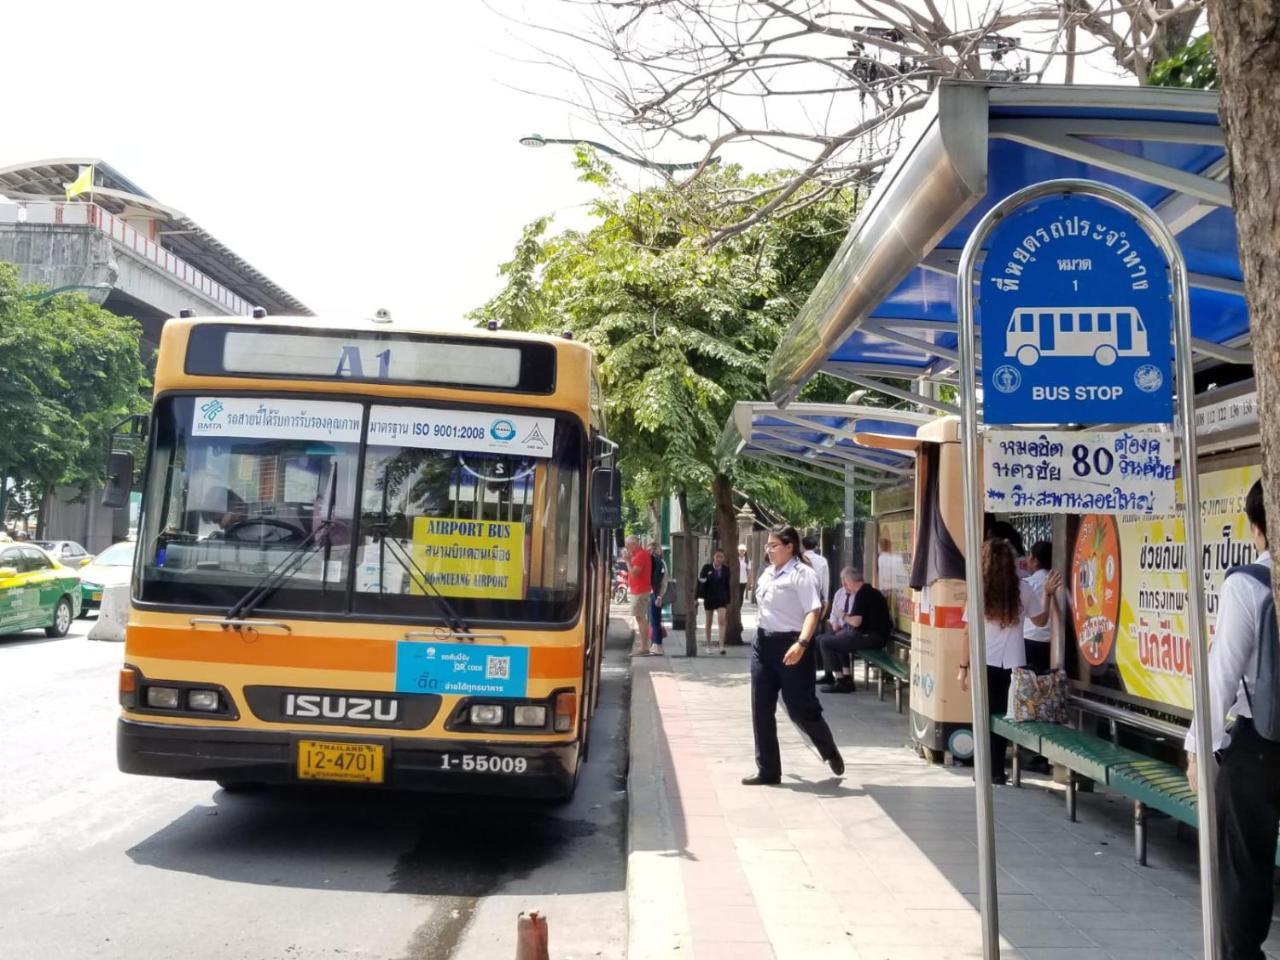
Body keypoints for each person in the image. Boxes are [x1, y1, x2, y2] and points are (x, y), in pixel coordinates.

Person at [1185, 480, 1278, 960]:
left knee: (1245, 869)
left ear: (1257, 528)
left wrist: (1199, 748)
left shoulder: (1249, 583)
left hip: (1259, 746)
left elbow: (1221, 672)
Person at [743, 524, 845, 785]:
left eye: (773, 546)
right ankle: (767, 769)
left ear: (790, 546)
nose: (769, 551)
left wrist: (802, 643)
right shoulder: (768, 573)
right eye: (767, 546)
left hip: (792, 645)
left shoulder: (802, 574)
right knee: (761, 709)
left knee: (800, 709)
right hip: (764, 644)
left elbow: (814, 610)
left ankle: (828, 748)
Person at [958, 538, 1060, 784]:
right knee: (1004, 716)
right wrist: (1046, 594)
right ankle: (996, 771)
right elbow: (1040, 620)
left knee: (982, 715)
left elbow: (967, 633)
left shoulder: (977, 590)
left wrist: (963, 667)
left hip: (984, 660)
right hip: (1014, 662)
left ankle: (984, 769)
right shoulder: (1022, 589)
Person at [819, 568, 891, 693]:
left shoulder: (862, 594)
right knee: (838, 638)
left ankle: (841, 681)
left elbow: (856, 621)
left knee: (826, 642)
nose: (844, 586)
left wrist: (842, 615)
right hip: (872, 635)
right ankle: (846, 678)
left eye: (845, 583)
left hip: (872, 637)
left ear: (851, 581)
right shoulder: (870, 592)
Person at [803, 535, 832, 682]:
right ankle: (814, 665)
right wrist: (826, 600)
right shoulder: (822, 561)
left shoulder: (799, 559)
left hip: (801, 597)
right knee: (815, 632)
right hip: (817, 597)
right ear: (816, 546)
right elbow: (825, 582)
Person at [1023, 541, 1054, 672]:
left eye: (1029, 556)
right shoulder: (1059, 581)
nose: (1027, 559)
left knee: (1028, 684)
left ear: (1035, 560)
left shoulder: (1027, 584)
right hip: (1052, 643)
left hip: (1029, 640)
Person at [698, 548, 732, 654]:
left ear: (723, 558)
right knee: (709, 621)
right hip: (709, 598)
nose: (719, 559)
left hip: (721, 598)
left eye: (721, 557)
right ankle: (708, 645)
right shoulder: (707, 568)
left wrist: (728, 599)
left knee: (722, 620)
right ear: (714, 557)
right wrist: (698, 596)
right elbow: (701, 582)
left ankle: (721, 646)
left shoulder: (726, 570)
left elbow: (727, 585)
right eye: (717, 556)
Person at [625, 534, 654, 656]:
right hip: (638, 589)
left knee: (640, 617)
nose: (626, 547)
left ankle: (644, 647)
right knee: (639, 617)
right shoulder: (637, 555)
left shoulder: (641, 555)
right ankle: (644, 646)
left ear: (634, 544)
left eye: (628, 545)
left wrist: (627, 561)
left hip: (640, 590)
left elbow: (635, 573)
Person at [648, 539, 667, 656]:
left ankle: (658, 645)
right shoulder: (659, 562)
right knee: (654, 620)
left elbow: (662, 581)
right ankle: (655, 644)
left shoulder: (659, 562)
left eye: (650, 549)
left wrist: (659, 596)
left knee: (655, 620)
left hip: (655, 594)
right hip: (654, 594)